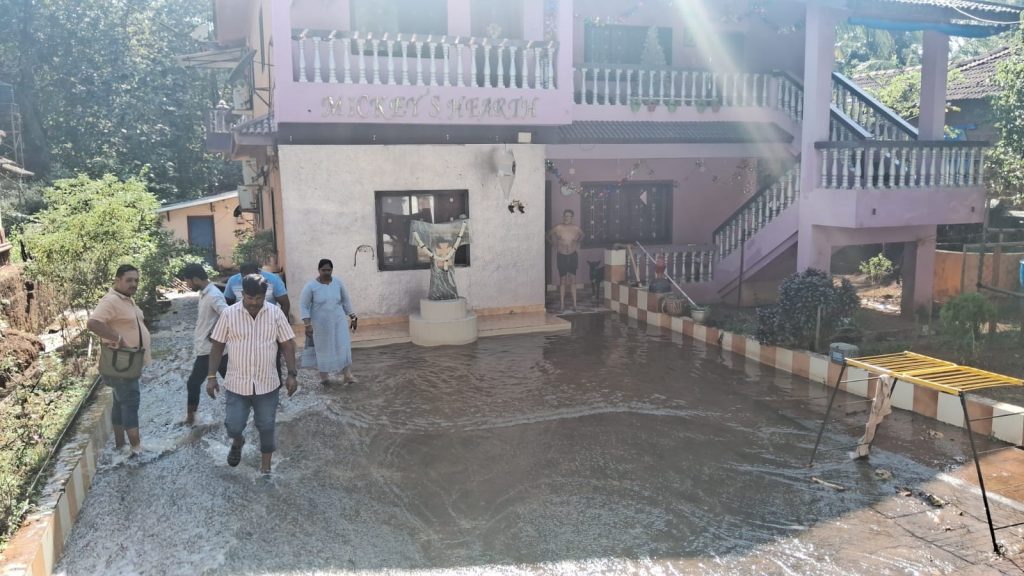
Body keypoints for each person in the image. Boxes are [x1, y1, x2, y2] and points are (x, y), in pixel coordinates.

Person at [207, 274, 298, 475]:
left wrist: (292, 374)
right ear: (242, 294)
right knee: (233, 426)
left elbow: (287, 345)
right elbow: (217, 346)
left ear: (265, 295)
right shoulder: (229, 314)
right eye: (249, 298)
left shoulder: (275, 314)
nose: (254, 303)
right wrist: (211, 376)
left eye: (258, 298)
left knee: (266, 426)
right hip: (236, 384)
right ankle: (238, 441)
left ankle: (265, 470)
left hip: (267, 384)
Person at [87, 264, 152, 456]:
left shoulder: (126, 300)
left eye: (136, 280)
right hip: (122, 364)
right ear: (117, 280)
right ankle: (136, 449)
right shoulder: (111, 301)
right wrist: (118, 338)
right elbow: (93, 323)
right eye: (129, 280)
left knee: (119, 402)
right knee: (130, 402)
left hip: (128, 364)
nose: (133, 284)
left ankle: (120, 445)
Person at [179, 263, 229, 426]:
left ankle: (191, 419)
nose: (187, 285)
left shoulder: (214, 295)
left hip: (210, 351)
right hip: (212, 349)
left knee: (193, 383)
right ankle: (250, 411)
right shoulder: (205, 294)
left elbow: (228, 315)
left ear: (195, 279)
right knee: (233, 382)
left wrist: (215, 332)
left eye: (188, 282)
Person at [299, 259, 358, 386]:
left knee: (343, 346)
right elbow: (303, 306)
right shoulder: (311, 286)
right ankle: (324, 378)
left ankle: (347, 375)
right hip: (320, 325)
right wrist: (307, 324)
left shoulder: (338, 283)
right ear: (319, 270)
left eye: (329, 270)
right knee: (323, 349)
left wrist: (353, 317)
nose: (326, 272)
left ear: (332, 270)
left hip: (339, 321)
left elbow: (346, 300)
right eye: (323, 270)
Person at [547, 209, 584, 311]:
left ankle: (575, 304)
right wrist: (553, 244)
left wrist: (577, 242)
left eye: (569, 216)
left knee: (573, 279)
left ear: (572, 218)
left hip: (572, 255)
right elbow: (548, 235)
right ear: (563, 217)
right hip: (561, 255)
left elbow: (582, 235)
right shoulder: (558, 228)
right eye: (565, 216)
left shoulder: (576, 228)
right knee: (562, 280)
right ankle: (562, 304)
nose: (566, 218)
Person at [223, 262, 290, 316]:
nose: (249, 280)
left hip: (268, 319)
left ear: (258, 272)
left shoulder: (273, 279)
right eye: (245, 277)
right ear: (241, 274)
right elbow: (227, 303)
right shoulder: (233, 281)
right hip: (242, 320)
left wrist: (279, 322)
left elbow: (285, 303)